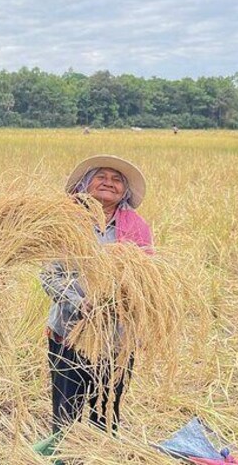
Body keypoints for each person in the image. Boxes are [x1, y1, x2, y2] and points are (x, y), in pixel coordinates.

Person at [41, 154, 152, 433]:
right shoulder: (65, 224)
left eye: (116, 180)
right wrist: (80, 303)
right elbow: (48, 275)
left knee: (105, 414)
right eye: (101, 177)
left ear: (124, 192)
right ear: (85, 185)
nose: (108, 183)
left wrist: (124, 300)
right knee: (66, 416)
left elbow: (148, 281)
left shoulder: (137, 229)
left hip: (116, 339)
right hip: (69, 335)